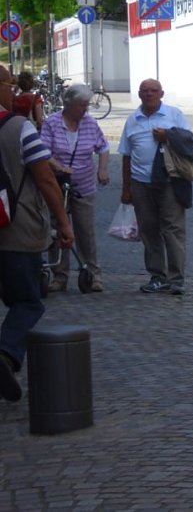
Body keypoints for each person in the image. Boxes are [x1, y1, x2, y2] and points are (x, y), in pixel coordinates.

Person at [0, 65, 74, 402]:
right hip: (15, 232)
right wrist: (63, 222)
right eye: (9, 84)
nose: (13, 90)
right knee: (28, 301)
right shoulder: (19, 128)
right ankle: (5, 354)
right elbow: (45, 179)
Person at [118, 78, 192, 295]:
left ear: (161, 93)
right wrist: (126, 189)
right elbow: (125, 155)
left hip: (169, 181)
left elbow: (190, 141)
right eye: (145, 91)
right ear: (139, 95)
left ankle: (176, 279)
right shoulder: (132, 119)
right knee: (149, 231)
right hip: (141, 183)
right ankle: (157, 276)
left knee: (173, 229)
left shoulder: (174, 114)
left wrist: (168, 135)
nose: (149, 94)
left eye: (153, 90)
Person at [39, 84, 110, 293]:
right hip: (58, 185)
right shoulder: (52, 123)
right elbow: (43, 152)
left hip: (84, 186)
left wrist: (103, 169)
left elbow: (103, 147)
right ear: (69, 104)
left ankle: (93, 274)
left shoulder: (89, 123)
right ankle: (59, 277)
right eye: (82, 105)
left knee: (85, 232)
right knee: (58, 230)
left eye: (87, 105)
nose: (85, 109)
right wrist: (59, 167)